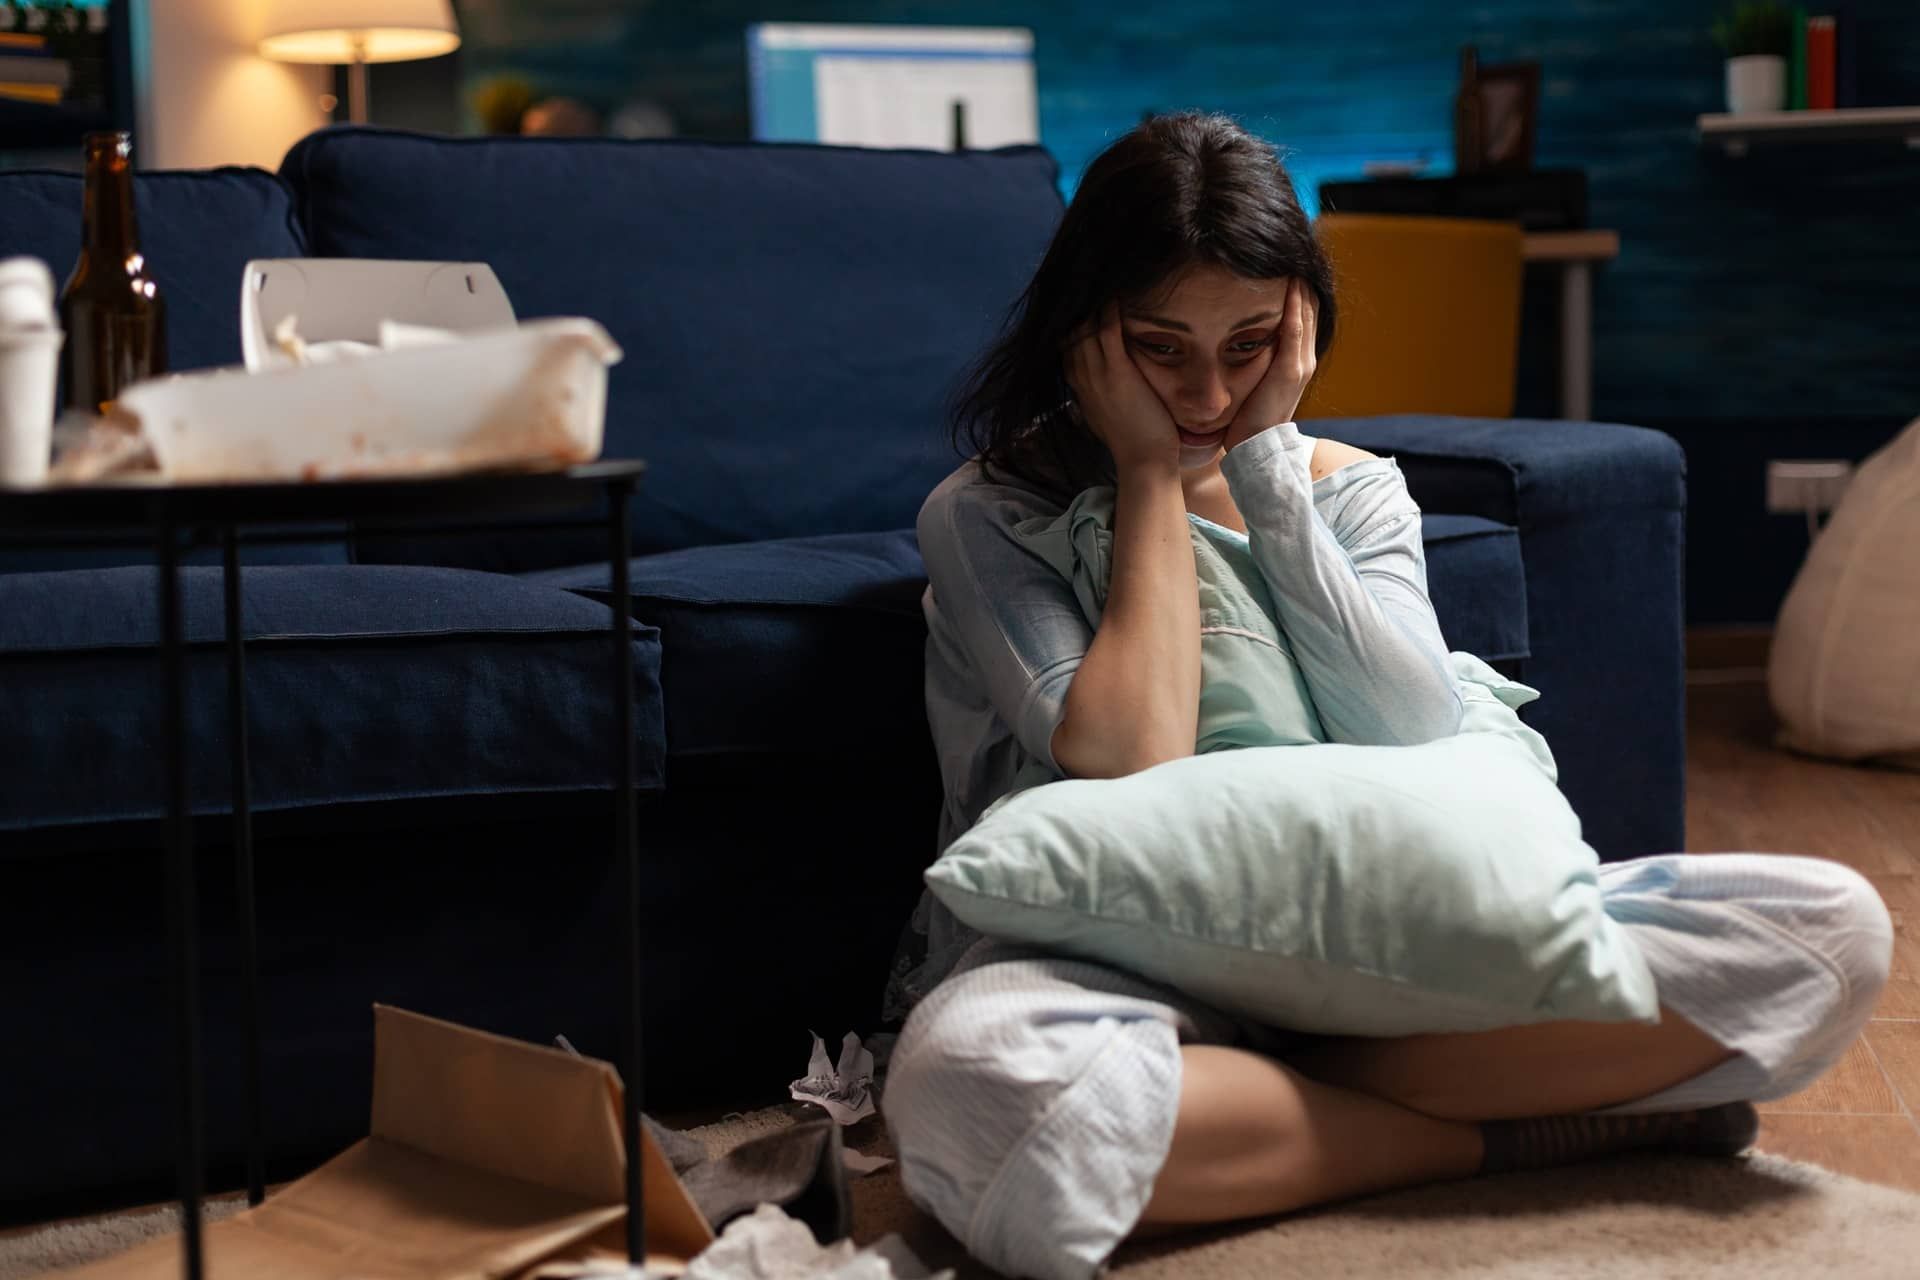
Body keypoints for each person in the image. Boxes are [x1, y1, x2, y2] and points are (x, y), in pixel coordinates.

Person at [879, 112, 1894, 1280]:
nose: (1207, 393)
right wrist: (1151, 473)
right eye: (1160, 349)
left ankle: (1271, 1102)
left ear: (1300, 327)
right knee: (974, 1087)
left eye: (1249, 345)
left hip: (1375, 954)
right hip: (1107, 960)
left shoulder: (1351, 492)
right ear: (1084, 334)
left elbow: (1404, 727)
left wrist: (1269, 472)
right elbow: (1131, 758)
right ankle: (1497, 1136)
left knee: (1824, 935)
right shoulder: (989, 512)